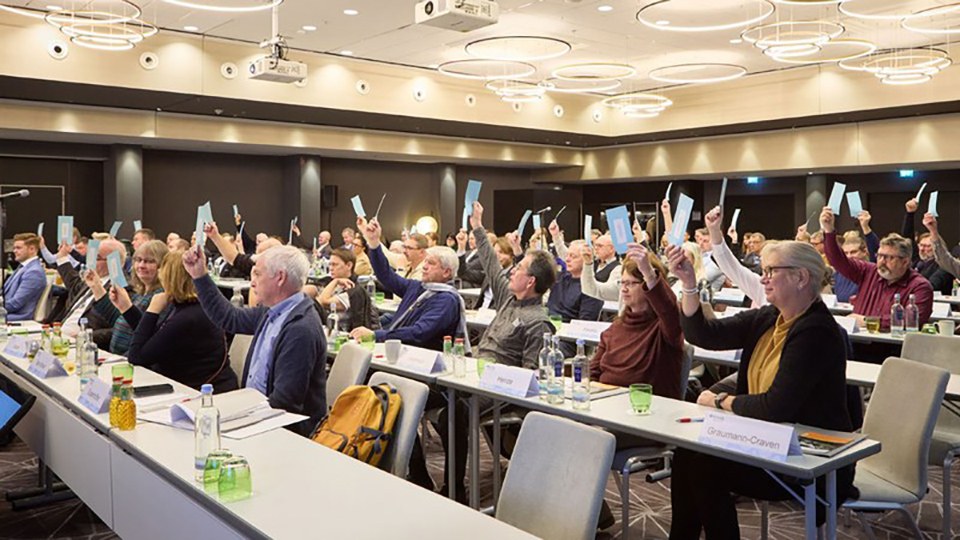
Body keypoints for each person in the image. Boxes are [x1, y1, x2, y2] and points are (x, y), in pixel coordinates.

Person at [666, 240, 855, 539]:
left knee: (705, 467)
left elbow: (774, 407)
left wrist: (720, 400)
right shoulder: (770, 317)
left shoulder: (818, 331)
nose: (763, 277)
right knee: (688, 453)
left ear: (801, 277)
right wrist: (688, 283)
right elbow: (704, 334)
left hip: (809, 458)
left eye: (771, 270)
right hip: (767, 439)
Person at [182, 244, 326, 437]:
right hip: (257, 418)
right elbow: (229, 317)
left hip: (281, 434)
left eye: (257, 274)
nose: (252, 282)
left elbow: (284, 403)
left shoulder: (300, 329)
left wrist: (234, 416)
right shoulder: (274, 311)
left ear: (280, 277)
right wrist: (200, 276)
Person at [112, 250, 238, 393]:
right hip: (190, 386)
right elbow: (156, 340)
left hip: (206, 394)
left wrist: (152, 310)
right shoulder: (189, 306)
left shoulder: (188, 317)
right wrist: (126, 308)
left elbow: (137, 356)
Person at [349, 216, 466, 351]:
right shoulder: (418, 287)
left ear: (446, 272)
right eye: (426, 261)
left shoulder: (446, 299)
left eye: (431, 263)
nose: (425, 266)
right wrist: (374, 242)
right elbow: (385, 275)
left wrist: (376, 335)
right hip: (401, 350)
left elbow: (419, 333)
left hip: (422, 360)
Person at [590, 245, 683, 397]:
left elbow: (668, 308)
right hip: (606, 403)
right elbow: (592, 372)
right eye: (622, 283)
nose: (624, 289)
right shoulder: (615, 328)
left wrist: (649, 273)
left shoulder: (665, 327)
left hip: (649, 410)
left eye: (631, 283)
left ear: (647, 285)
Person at [821, 206, 933, 332]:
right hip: (857, 343)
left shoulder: (920, 286)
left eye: (888, 257)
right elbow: (838, 261)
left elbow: (911, 321)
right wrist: (828, 230)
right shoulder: (868, 271)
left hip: (892, 348)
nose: (881, 261)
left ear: (905, 261)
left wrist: (866, 320)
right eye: (879, 256)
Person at [84, 240, 168, 354]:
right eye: (138, 260)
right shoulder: (140, 293)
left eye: (149, 261)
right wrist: (96, 287)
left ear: (163, 265)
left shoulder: (161, 296)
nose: (141, 265)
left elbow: (147, 333)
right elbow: (118, 319)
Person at [47, 238, 127, 348]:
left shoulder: (122, 288)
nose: (91, 262)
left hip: (85, 345)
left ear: (113, 262)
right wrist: (62, 258)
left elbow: (122, 327)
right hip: (60, 335)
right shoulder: (92, 279)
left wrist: (86, 336)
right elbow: (74, 285)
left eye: (97, 258)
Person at [310, 248, 379, 332]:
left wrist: (335, 281)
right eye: (330, 264)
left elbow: (322, 302)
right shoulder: (329, 282)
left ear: (349, 265)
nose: (331, 268)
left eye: (335, 265)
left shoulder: (353, 290)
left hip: (342, 336)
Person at [903, 197, 953, 295]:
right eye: (921, 245)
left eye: (927, 246)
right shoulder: (917, 260)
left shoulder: (944, 266)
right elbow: (907, 239)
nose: (922, 249)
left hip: (938, 306)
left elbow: (932, 285)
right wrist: (910, 213)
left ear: (936, 247)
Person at [3, 233, 47, 321]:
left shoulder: (34, 272)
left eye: (18, 248)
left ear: (32, 249)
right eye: (14, 248)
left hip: (16, 317)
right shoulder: (23, 267)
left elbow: (15, 304)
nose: (14, 251)